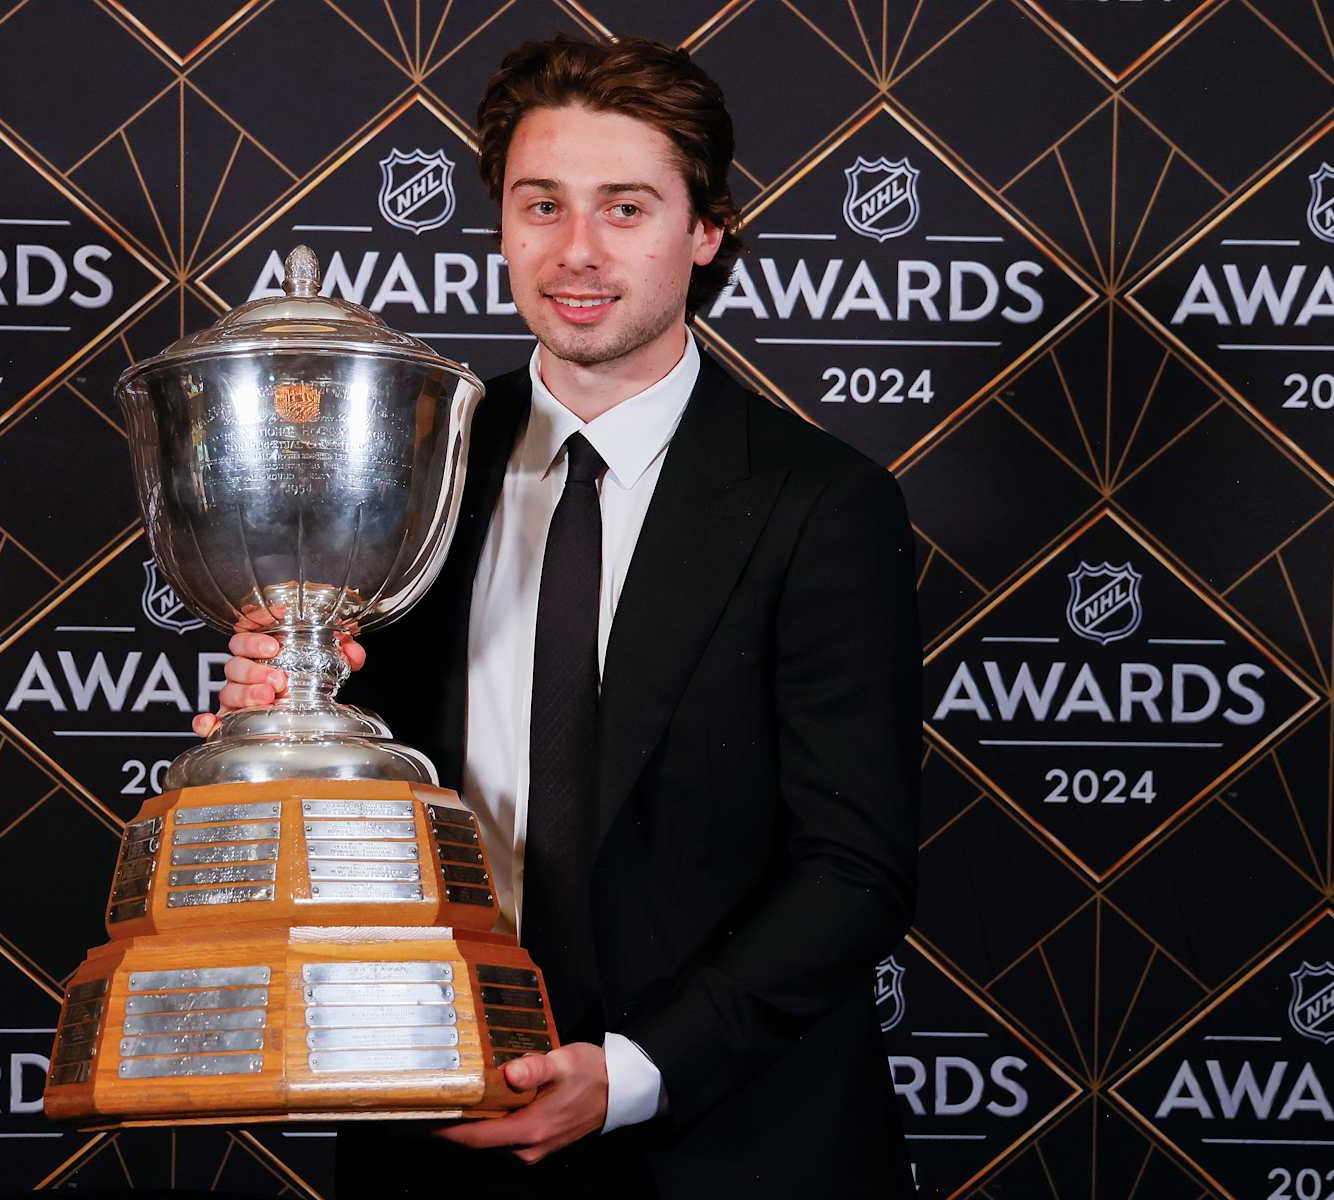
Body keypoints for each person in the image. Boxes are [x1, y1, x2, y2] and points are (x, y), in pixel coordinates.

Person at [192, 34, 921, 1198]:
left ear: (706, 230)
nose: (576, 251)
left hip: (729, 1144)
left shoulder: (821, 504)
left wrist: (632, 1072)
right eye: (542, 205)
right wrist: (275, 738)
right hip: (430, 1128)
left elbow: (854, 868)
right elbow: (351, 833)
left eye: (626, 207)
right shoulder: (403, 473)